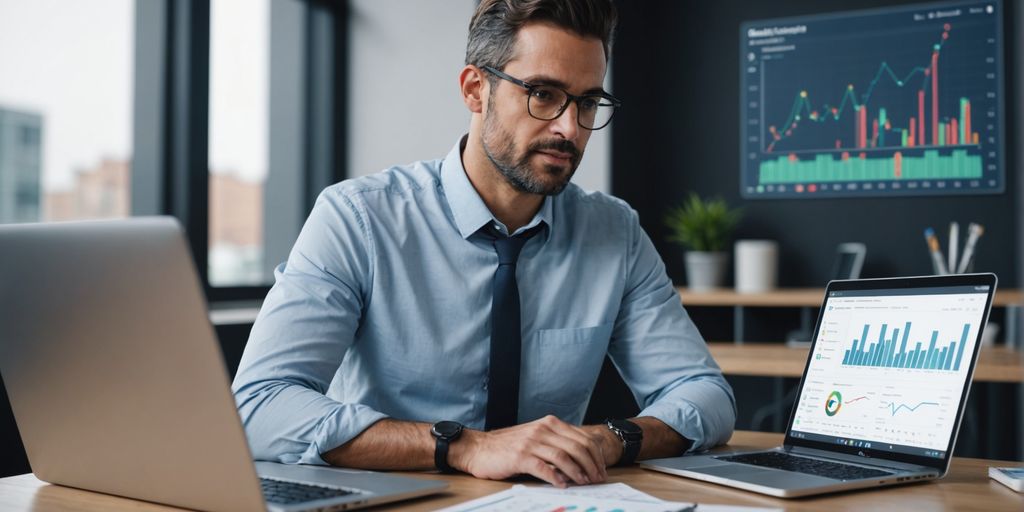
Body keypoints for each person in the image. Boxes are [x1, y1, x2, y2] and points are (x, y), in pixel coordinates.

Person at [232, 0, 735, 488]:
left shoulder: (614, 233)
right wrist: (465, 446)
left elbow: (705, 395)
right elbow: (259, 405)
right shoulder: (359, 217)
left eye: (587, 102)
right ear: (476, 90)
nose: (569, 128)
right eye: (542, 93)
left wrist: (609, 440)